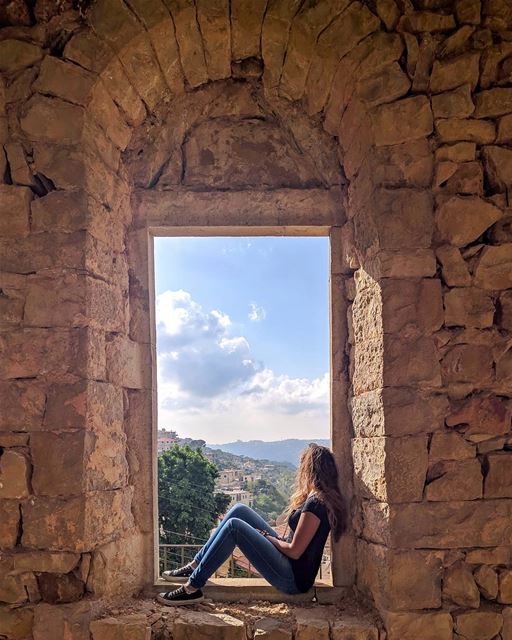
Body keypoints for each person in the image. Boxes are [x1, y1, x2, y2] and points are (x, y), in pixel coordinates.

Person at [157, 443, 346, 605]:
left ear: (310, 470)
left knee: (234, 526)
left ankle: (192, 587)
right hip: (288, 562)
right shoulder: (317, 497)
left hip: (292, 578)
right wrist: (273, 539)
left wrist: (267, 537)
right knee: (240, 509)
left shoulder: (317, 503)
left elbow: (295, 551)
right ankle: (194, 565)